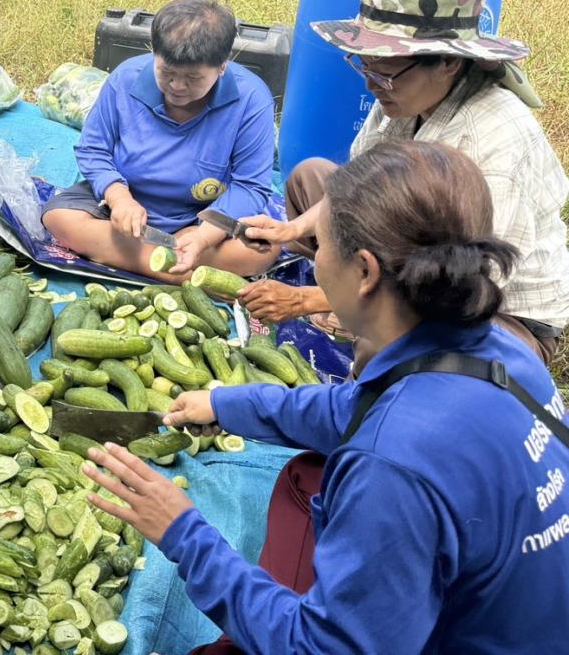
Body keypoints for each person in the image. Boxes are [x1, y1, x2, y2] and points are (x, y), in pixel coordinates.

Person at [84, 140, 569, 654]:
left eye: (318, 242)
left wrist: (182, 532)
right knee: (304, 479)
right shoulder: (499, 350)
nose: (312, 260)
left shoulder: (390, 465)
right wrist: (227, 405)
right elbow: (353, 408)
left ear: (365, 272)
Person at [237, 0, 569, 364]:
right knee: (311, 177)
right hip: (413, 246)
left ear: (447, 62)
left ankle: (360, 317)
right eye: (364, 66)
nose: (371, 85)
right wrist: (291, 228)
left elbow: (461, 283)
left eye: (385, 74)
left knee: (384, 342)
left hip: (490, 309)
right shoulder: (402, 98)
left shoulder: (492, 143)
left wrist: (308, 299)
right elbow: (356, 187)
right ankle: (355, 297)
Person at [41, 0, 278, 281]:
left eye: (193, 78)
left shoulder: (251, 98)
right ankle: (181, 270)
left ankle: (152, 259)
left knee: (263, 250)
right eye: (166, 72)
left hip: (204, 216)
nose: (177, 86)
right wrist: (119, 198)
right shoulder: (125, 79)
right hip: (128, 213)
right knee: (59, 217)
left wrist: (203, 237)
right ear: (153, 52)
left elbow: (250, 186)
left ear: (222, 66)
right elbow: (93, 150)